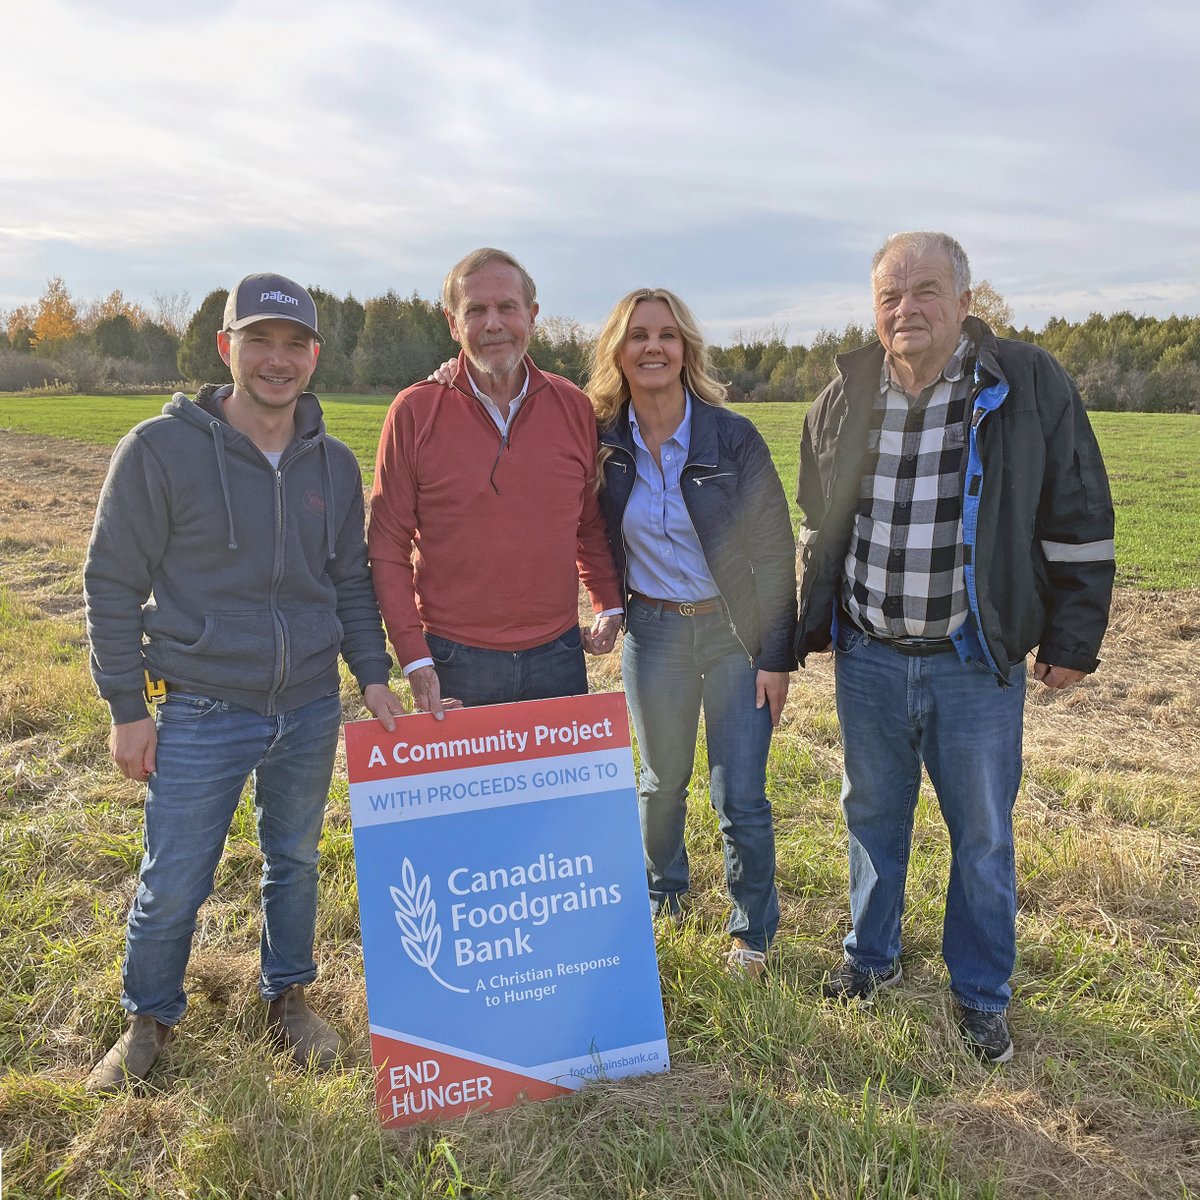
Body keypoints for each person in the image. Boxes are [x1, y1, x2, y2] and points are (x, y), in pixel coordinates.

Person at [795, 232, 1115, 1061]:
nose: (906, 310)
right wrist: (810, 621)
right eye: (890, 296)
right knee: (870, 817)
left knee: (981, 833)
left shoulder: (1026, 384)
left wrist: (1073, 635)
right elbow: (818, 520)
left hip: (974, 661)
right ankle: (871, 959)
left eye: (926, 291)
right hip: (868, 654)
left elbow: (1079, 515)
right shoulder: (844, 394)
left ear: (967, 302)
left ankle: (979, 992)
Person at [83, 272, 406, 1091]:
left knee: (294, 859)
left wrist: (372, 677)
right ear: (226, 347)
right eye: (258, 340)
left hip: (304, 704)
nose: (276, 359)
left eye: (294, 343)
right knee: (176, 874)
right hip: (197, 704)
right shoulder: (158, 451)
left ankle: (288, 999)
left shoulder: (332, 464)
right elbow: (111, 580)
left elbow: (349, 585)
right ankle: (148, 1018)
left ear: (315, 357)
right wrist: (127, 708)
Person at [587, 288, 798, 978]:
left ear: (686, 351)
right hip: (655, 632)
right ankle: (664, 898)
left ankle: (751, 932)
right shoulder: (602, 440)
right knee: (660, 782)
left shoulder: (731, 437)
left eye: (667, 336)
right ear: (618, 351)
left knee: (740, 791)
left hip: (735, 635)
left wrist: (776, 654)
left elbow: (772, 548)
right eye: (638, 335)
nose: (653, 347)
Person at [368, 248, 623, 712]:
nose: (493, 323)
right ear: (452, 323)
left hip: (560, 654)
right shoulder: (414, 412)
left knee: (561, 789)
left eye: (507, 307)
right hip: (454, 658)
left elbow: (586, 522)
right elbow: (387, 544)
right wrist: (412, 654)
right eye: (476, 310)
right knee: (465, 787)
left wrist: (606, 600)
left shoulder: (573, 406)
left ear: (533, 315)